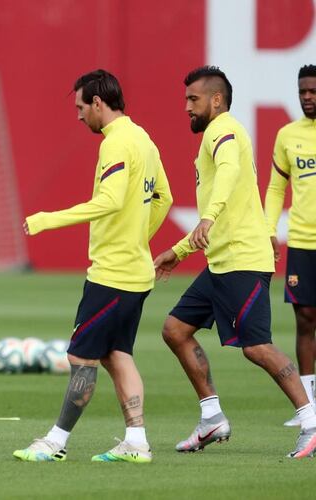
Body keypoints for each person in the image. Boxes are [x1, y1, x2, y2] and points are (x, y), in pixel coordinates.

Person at [154, 66, 316, 459]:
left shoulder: (224, 129)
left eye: (193, 99)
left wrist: (207, 216)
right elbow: (221, 210)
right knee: (175, 330)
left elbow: (226, 174)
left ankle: (311, 423)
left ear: (216, 100)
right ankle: (212, 418)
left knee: (257, 347)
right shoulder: (214, 134)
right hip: (222, 261)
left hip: (242, 259)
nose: (187, 107)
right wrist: (178, 250)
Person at [13, 69, 172, 463]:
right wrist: (139, 237)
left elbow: (111, 200)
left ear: (98, 103)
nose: (79, 115)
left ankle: (55, 441)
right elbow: (165, 198)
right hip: (135, 273)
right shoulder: (144, 140)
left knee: (81, 359)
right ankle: (136, 441)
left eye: (82, 107)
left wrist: (48, 219)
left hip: (112, 274)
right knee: (118, 354)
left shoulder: (116, 143)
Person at [265, 64, 316, 427]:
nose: (307, 97)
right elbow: (275, 188)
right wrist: (269, 228)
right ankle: (310, 405)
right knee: (305, 319)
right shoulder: (288, 135)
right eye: (303, 92)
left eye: (313, 91)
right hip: (301, 240)